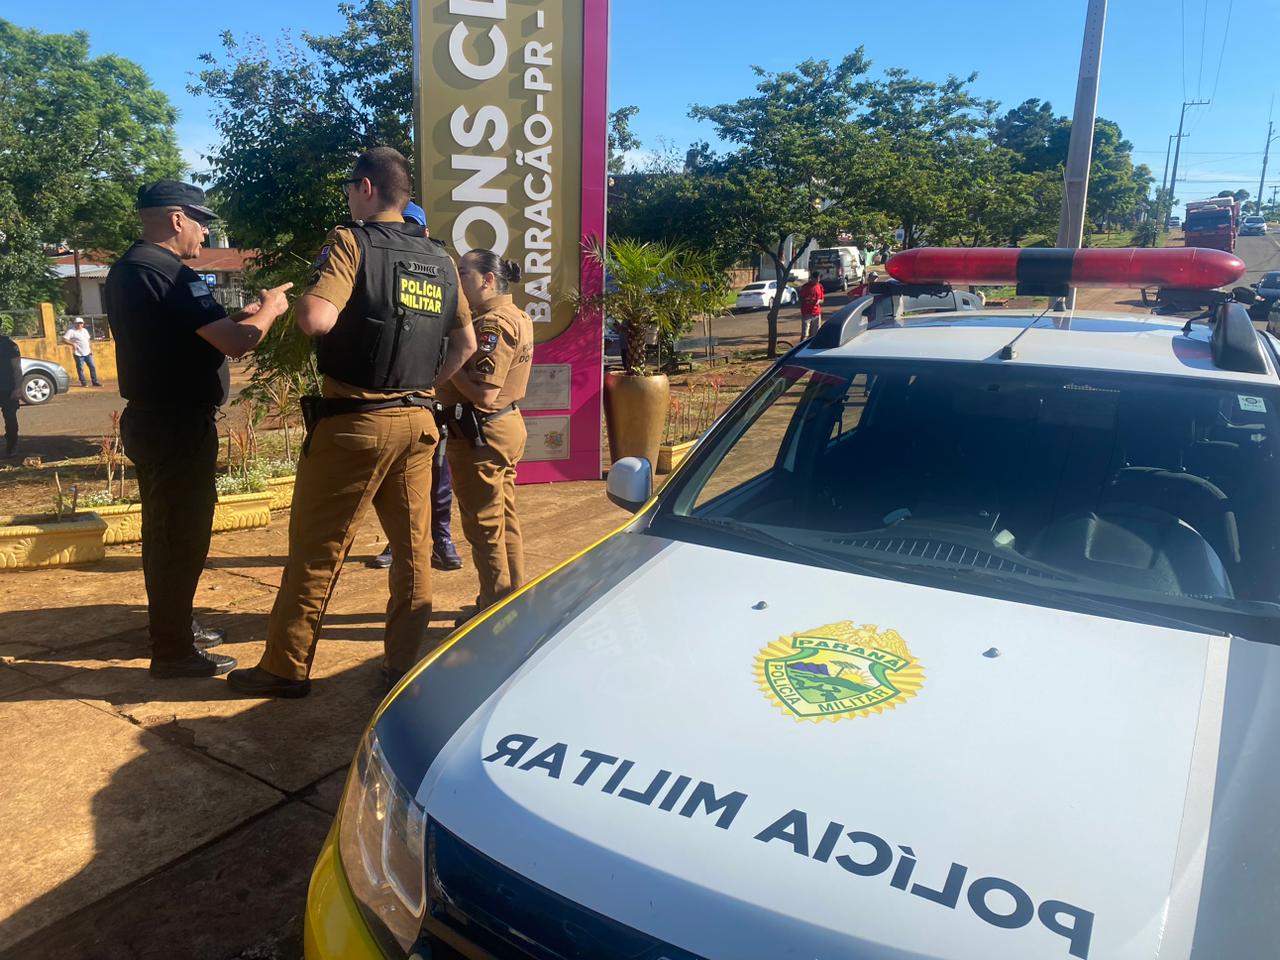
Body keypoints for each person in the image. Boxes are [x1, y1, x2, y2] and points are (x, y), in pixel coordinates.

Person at [228, 147, 476, 699]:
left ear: (365, 188)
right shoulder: (441, 258)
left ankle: (285, 668)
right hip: (418, 421)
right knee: (414, 553)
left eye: (349, 188)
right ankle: (402, 666)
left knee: (318, 549)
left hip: (355, 422)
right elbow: (466, 342)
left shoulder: (350, 241)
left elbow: (317, 319)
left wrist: (290, 306)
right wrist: (425, 384)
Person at [105, 180, 293, 679]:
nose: (205, 231)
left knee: (169, 531)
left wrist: (240, 314)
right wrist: (270, 310)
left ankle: (177, 627)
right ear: (176, 219)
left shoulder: (134, 269)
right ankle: (172, 652)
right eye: (200, 220)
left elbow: (195, 334)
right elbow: (234, 344)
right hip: (174, 424)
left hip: (157, 419)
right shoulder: (169, 273)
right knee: (178, 538)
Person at [366, 200, 463, 574]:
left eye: (410, 225)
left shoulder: (442, 268)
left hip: (427, 397)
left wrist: (429, 384)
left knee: (437, 473)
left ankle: (441, 538)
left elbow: (462, 339)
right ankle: (398, 539)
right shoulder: (382, 269)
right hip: (390, 399)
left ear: (424, 230)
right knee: (398, 479)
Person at [437, 249, 534, 622]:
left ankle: (493, 612)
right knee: (504, 519)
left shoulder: (491, 325)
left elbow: (484, 394)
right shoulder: (515, 315)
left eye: (464, 273)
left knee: (484, 527)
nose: (458, 281)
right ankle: (511, 599)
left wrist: (450, 360)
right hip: (500, 430)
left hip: (483, 434)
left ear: (488, 280)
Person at [62, 317, 101, 387]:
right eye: (78, 323)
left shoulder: (85, 330)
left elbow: (88, 340)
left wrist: (90, 349)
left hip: (88, 353)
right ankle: (83, 382)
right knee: (80, 368)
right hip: (78, 353)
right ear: (75, 324)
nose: (80, 325)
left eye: (81, 323)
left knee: (92, 366)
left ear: (83, 324)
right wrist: (72, 344)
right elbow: (64, 339)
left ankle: (95, 381)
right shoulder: (71, 331)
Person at [0, 333, 20, 458]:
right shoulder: (10, 345)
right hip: (8, 388)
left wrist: (18, 388)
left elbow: (17, 368)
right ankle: (11, 447)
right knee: (10, 418)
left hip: (8, 389)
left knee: (10, 418)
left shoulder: (10, 345)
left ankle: (11, 446)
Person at [798, 274, 825, 339]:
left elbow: (822, 300)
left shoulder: (820, 286)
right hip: (807, 312)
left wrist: (818, 301)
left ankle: (813, 346)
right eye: (816, 279)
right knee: (805, 333)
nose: (818, 281)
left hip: (816, 313)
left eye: (819, 279)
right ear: (812, 278)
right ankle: (801, 347)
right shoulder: (805, 287)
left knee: (816, 334)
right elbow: (801, 299)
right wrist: (807, 300)